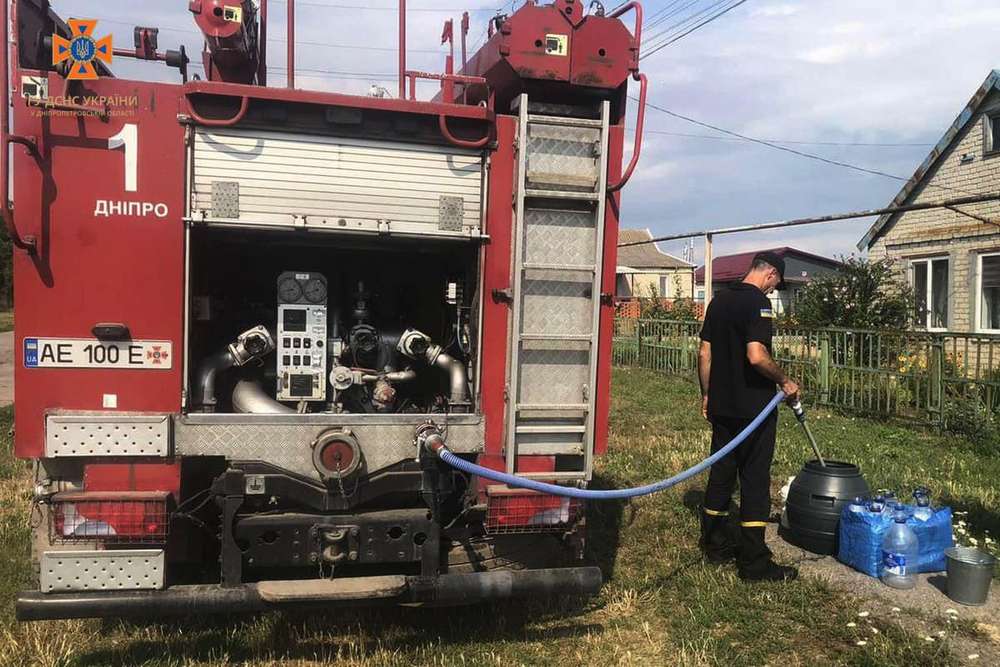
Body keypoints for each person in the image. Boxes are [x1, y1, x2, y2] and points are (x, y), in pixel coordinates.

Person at [697, 251, 800, 582]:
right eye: (775, 284)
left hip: (722, 406)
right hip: (753, 409)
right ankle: (754, 563)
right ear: (769, 273)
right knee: (754, 480)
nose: (772, 291)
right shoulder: (759, 304)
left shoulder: (719, 301)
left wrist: (707, 394)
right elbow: (756, 356)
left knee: (721, 473)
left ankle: (714, 546)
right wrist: (784, 381)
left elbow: (704, 353)